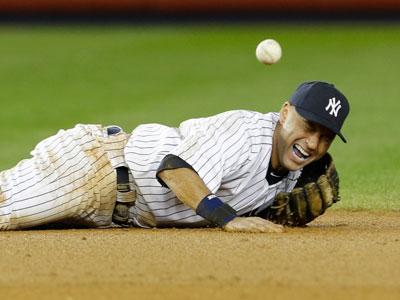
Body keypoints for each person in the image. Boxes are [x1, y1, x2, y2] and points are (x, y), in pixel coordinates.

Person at [0, 81, 349, 232]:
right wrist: (228, 219)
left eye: (325, 136)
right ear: (285, 113)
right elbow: (175, 170)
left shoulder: (291, 170)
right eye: (308, 126)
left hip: (113, 214)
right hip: (95, 170)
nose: (313, 143)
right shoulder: (245, 133)